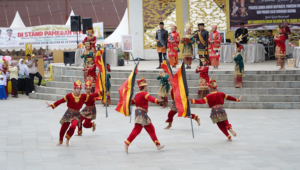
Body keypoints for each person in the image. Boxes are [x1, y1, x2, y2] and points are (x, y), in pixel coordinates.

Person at [45, 79, 101, 146]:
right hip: (69, 113)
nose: (78, 90)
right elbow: (61, 101)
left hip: (76, 115)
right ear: (74, 89)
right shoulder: (69, 95)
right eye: (77, 88)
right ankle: (60, 140)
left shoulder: (83, 96)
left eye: (80, 88)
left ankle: (68, 139)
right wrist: (52, 105)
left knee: (73, 126)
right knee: (63, 128)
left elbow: (92, 96)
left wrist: (101, 92)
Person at [124, 78, 164, 154]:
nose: (147, 88)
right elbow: (150, 98)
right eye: (147, 86)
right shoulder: (144, 94)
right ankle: (126, 143)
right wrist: (157, 101)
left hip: (142, 114)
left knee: (151, 128)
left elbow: (132, 102)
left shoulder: (137, 95)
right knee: (137, 130)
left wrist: (128, 99)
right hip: (141, 114)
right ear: (144, 87)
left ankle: (158, 145)